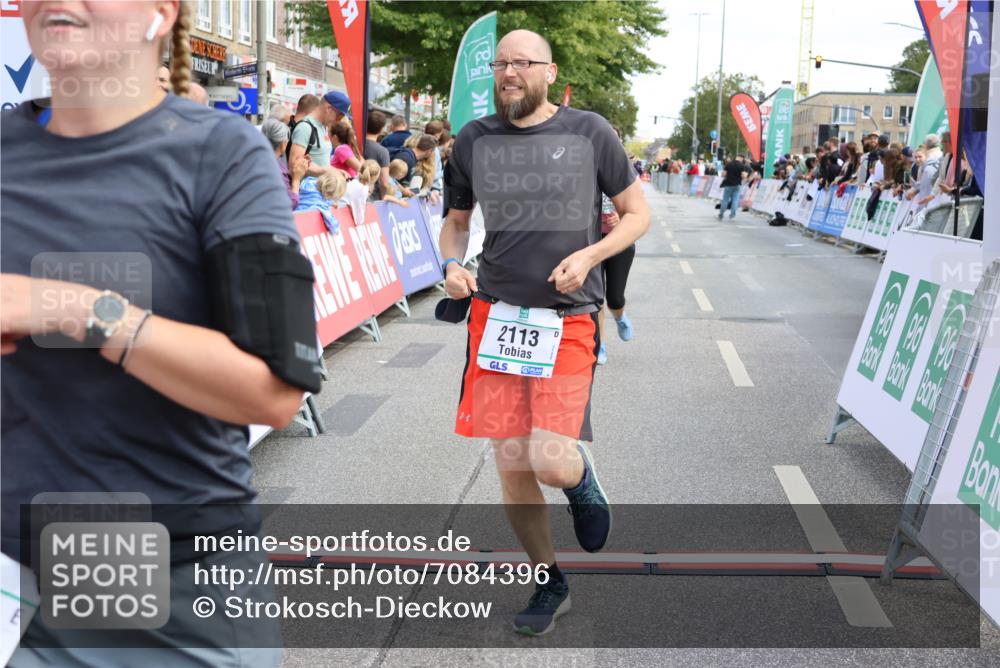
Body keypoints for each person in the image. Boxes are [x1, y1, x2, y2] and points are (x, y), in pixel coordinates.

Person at [2, 2, 322, 665]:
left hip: (163, 580)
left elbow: (272, 393)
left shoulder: (224, 156)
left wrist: (72, 308)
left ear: (160, 14)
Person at [439, 28, 649, 636]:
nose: (509, 72)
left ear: (549, 72)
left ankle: (581, 481)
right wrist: (452, 264)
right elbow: (456, 224)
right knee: (511, 462)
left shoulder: (590, 133)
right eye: (501, 63)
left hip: (569, 320)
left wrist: (589, 258)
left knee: (550, 462)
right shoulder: (473, 141)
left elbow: (637, 215)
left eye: (522, 63)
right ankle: (548, 577)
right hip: (496, 317)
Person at [261, 117, 310, 209]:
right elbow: (290, 204)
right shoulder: (275, 169)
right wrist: (296, 180)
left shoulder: (255, 161)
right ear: (282, 144)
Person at [363, 110, 392, 200]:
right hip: (371, 197)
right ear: (381, 129)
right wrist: (383, 197)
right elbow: (384, 183)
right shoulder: (382, 152)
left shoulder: (353, 145)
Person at [718, 154, 746, 220]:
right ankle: (732, 215)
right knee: (735, 200)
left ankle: (721, 214)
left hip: (728, 184)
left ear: (736, 157)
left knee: (725, 200)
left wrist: (728, 175)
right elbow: (743, 176)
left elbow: (723, 174)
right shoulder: (742, 165)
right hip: (737, 185)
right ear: (741, 158)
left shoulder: (729, 164)